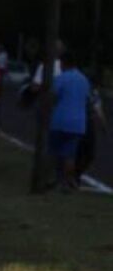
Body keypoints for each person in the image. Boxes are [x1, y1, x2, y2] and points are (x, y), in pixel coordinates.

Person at [49, 52, 90, 191]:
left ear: (64, 63)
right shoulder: (84, 79)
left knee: (55, 153)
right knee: (70, 155)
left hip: (61, 120)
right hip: (78, 122)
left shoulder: (61, 78)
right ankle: (67, 181)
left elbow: (53, 96)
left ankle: (56, 179)